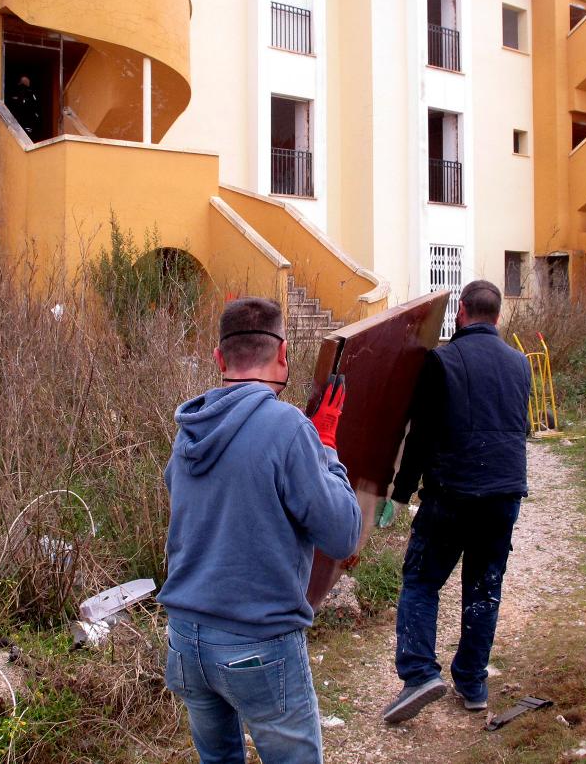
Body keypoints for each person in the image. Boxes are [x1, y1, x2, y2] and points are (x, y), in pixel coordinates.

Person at [158, 296, 362, 763]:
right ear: (283, 354)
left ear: (219, 359)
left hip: (185, 641)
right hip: (257, 645)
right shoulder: (289, 427)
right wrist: (326, 446)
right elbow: (343, 534)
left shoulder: (188, 428)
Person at [381, 280, 531, 724]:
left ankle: (419, 674)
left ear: (460, 311)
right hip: (504, 494)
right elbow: (516, 428)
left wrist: (401, 493)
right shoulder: (521, 364)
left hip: (452, 494)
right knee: (484, 587)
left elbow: (421, 436)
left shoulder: (440, 362)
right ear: (498, 317)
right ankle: (472, 681)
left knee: (422, 581)